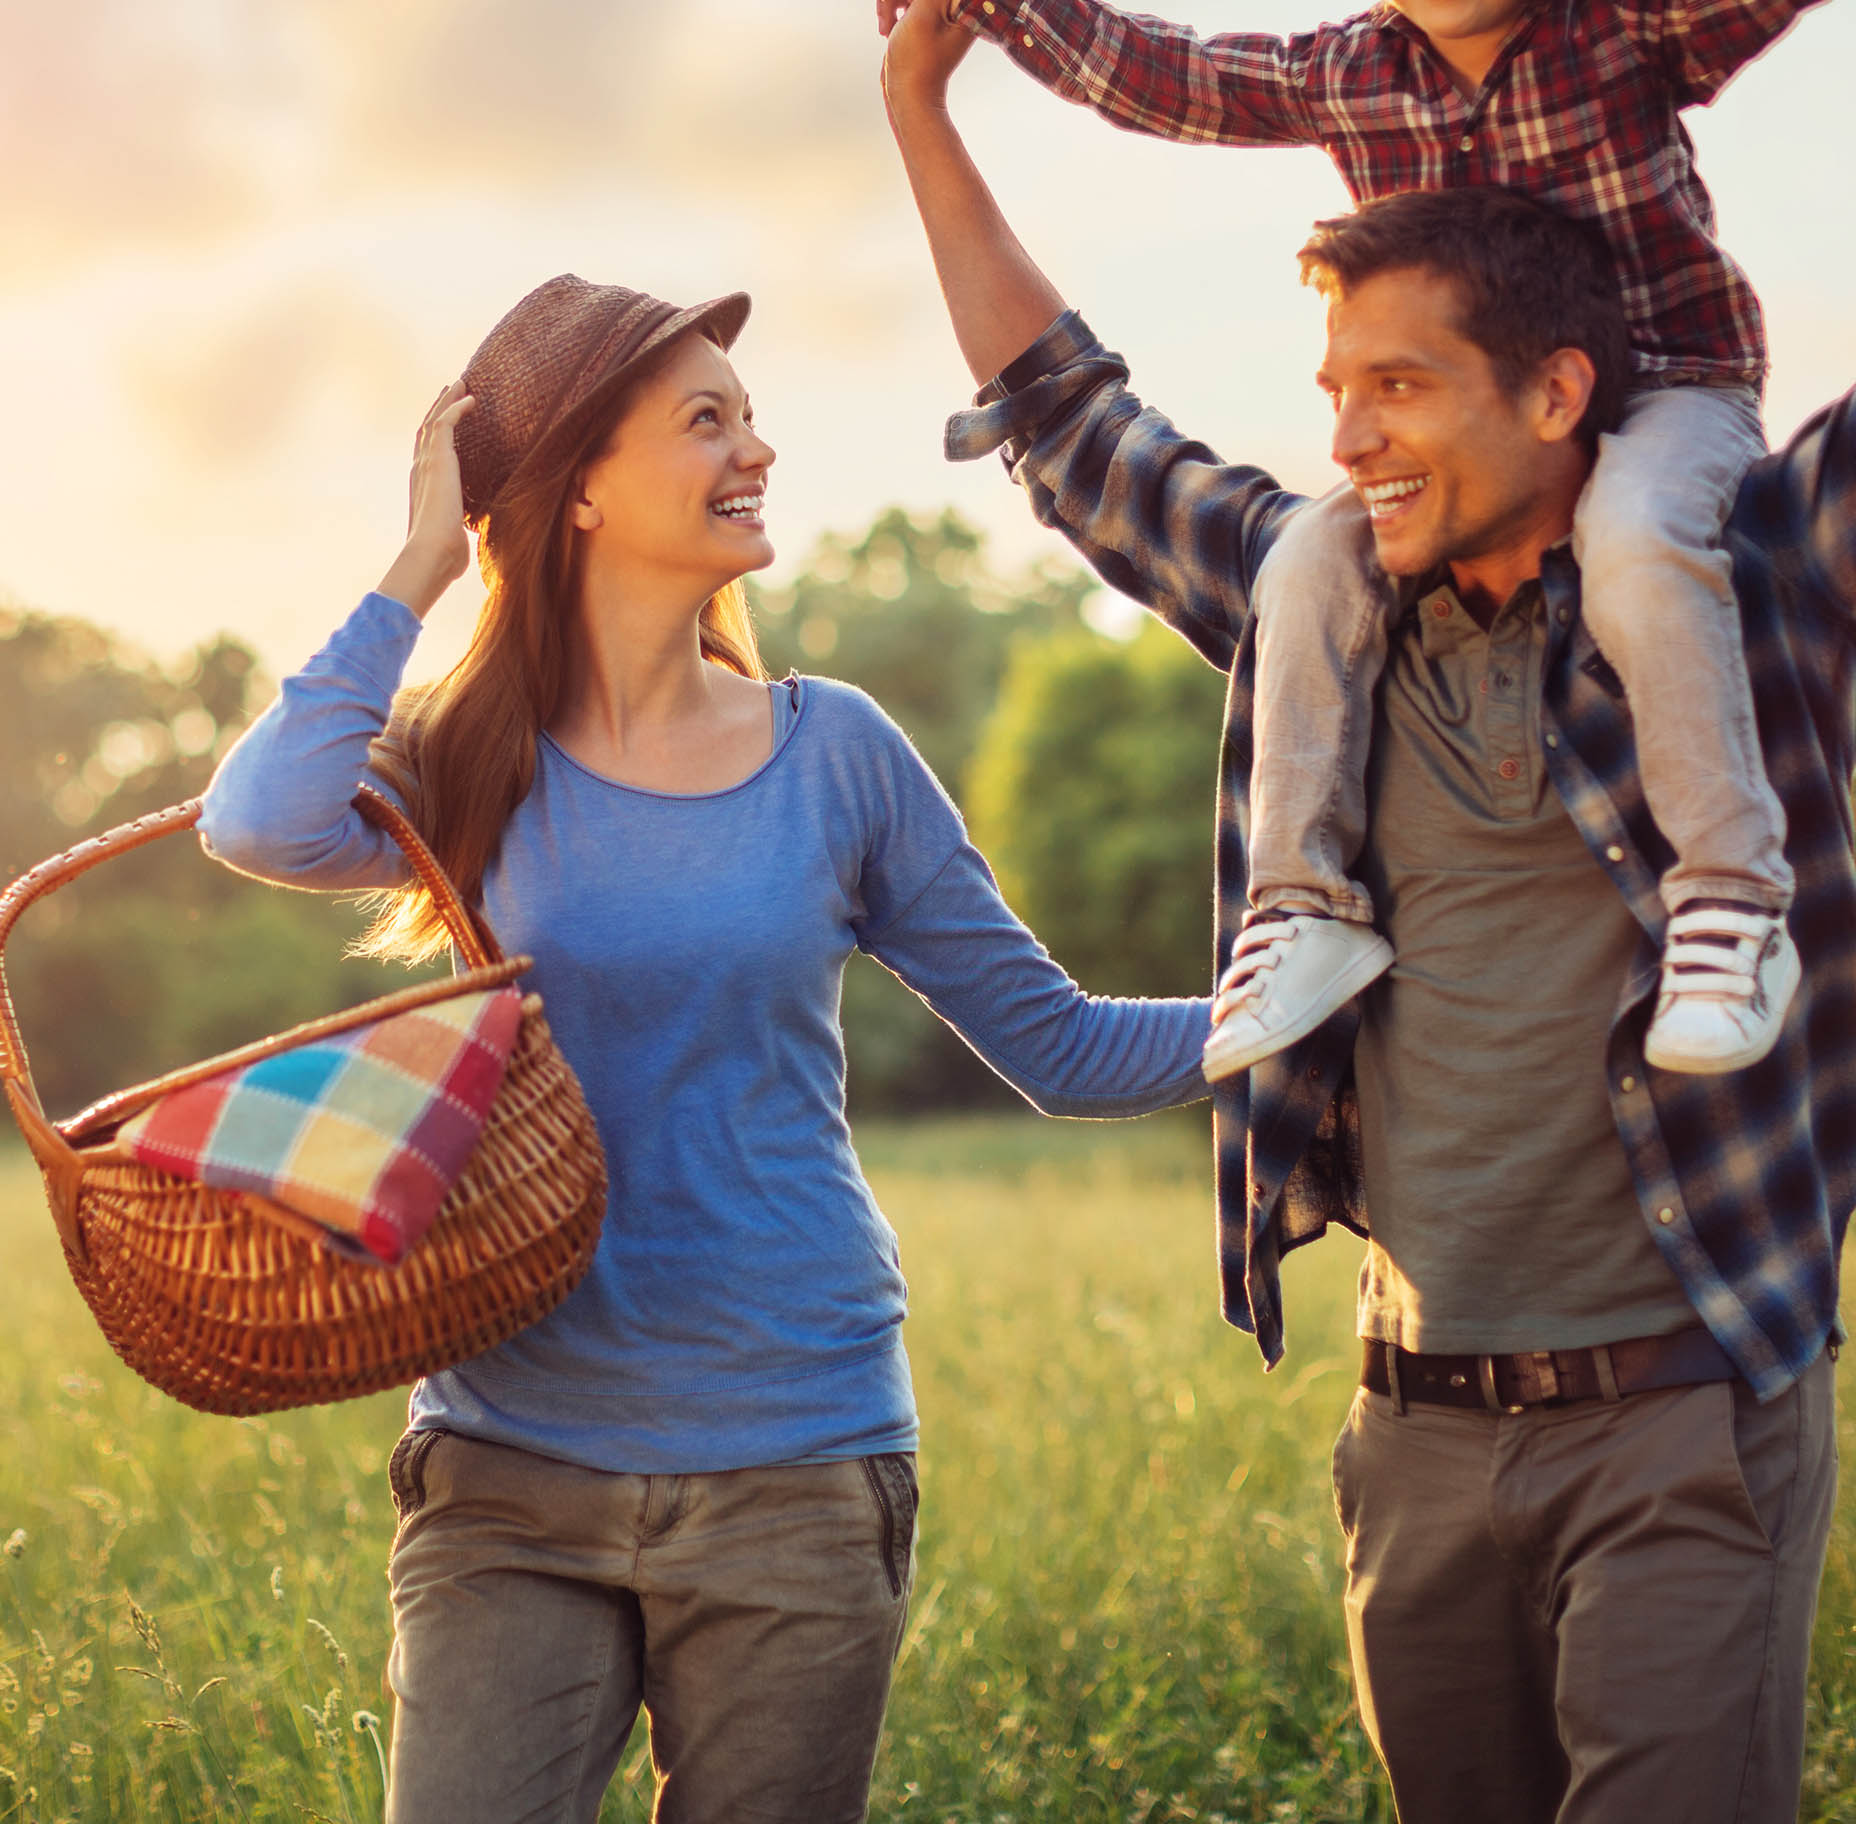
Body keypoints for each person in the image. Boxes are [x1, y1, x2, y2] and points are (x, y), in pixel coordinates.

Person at [878, 0, 1856, 1822]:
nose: (1344, 433)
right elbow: (1077, 424)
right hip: (1408, 1419)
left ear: (1560, 392)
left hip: (1682, 1406)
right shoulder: (1317, 602)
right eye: (1333, 383)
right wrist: (926, 106)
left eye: (1398, 390)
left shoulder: (1758, 578)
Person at [877, 0, 1856, 1083]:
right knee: (1307, 565)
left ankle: (1732, 893)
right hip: (1471, 460)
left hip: (1665, 392)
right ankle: (1304, 906)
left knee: (1631, 543)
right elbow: (1169, 73)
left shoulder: (1624, 28)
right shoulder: (1354, 74)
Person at [197, 274, 1212, 1824]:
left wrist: (1299, 1009)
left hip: (798, 1464)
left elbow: (1060, 1050)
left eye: (749, 414)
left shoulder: (839, 755)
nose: (759, 450)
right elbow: (256, 818)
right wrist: (424, 556)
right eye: (706, 420)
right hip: (507, 1465)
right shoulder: (467, 762)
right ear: (582, 489)